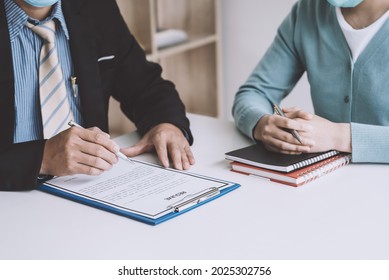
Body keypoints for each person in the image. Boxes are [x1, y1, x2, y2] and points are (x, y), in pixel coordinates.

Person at [0, 0, 195, 191]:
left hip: (90, 188)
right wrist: (41, 159)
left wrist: (166, 124)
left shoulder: (96, 7)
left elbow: (145, 85)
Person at [233, 0, 389, 163]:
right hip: (324, 179)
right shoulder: (308, 10)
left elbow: (336, 137)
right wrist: (262, 124)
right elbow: (255, 93)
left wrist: (338, 136)